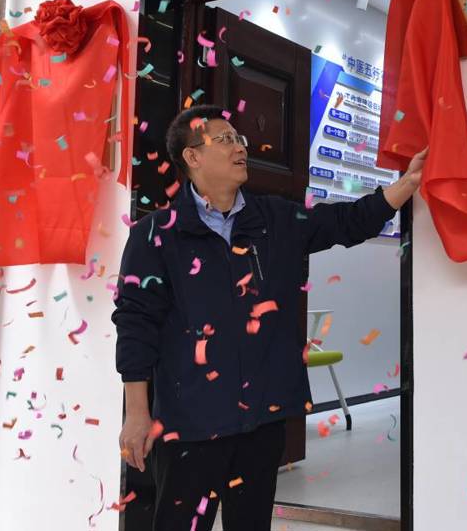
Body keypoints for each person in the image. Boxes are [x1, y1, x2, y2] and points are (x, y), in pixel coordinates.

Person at [112, 104, 425, 531]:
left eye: (238, 139)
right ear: (192, 156)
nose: (240, 148)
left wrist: (406, 185)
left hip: (261, 418)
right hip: (191, 422)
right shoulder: (155, 234)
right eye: (225, 139)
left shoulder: (275, 219)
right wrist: (136, 412)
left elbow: (346, 222)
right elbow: (136, 323)